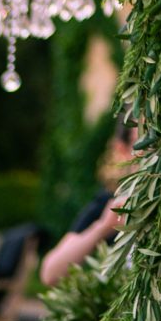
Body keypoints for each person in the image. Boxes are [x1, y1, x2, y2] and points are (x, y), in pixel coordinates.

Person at [40, 120, 135, 287]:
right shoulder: (110, 200)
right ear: (122, 149)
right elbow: (50, 273)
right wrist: (103, 227)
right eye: (145, 141)